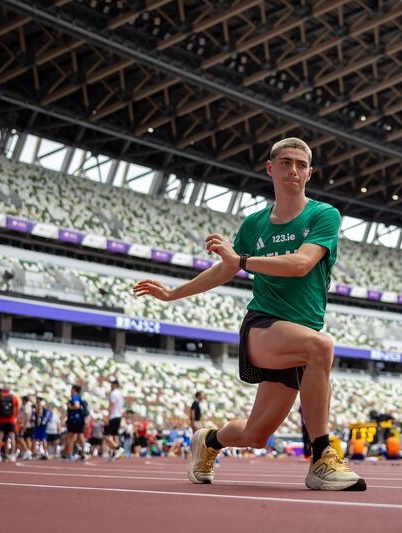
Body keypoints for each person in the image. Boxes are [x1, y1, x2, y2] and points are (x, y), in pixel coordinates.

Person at [134, 138, 365, 491]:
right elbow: (221, 271)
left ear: (309, 173)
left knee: (256, 435)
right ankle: (322, 457)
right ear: (271, 168)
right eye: (286, 162)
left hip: (297, 337)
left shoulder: (323, 215)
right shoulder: (254, 225)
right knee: (322, 346)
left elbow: (301, 264)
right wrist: (172, 293)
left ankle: (209, 440)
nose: (293, 170)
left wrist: (241, 261)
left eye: (301, 165)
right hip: (263, 326)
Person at [0, 385, 19, 461]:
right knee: (12, 438)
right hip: (11, 420)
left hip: (1, 420)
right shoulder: (14, 398)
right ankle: (13, 455)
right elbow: (17, 409)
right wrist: (15, 417)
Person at [64, 385, 88, 460]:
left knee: (70, 437)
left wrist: (70, 407)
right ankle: (83, 453)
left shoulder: (75, 397)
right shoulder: (79, 397)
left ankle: (69, 454)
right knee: (80, 437)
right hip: (80, 420)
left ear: (74, 389)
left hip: (75, 420)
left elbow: (77, 406)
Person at [104, 379, 124, 460]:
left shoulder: (113, 393)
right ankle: (115, 453)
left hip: (113, 416)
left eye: (111, 384)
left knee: (106, 435)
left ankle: (118, 448)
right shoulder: (119, 393)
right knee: (115, 435)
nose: (110, 386)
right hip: (118, 416)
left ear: (115, 385)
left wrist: (107, 417)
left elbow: (111, 405)